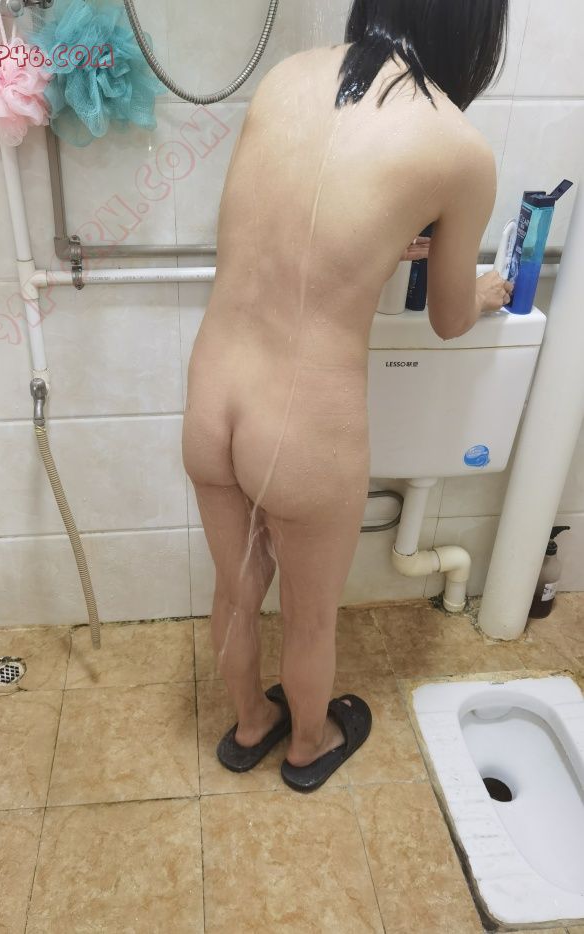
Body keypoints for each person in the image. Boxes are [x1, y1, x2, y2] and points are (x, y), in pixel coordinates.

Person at [182, 0, 513, 792]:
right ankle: (308, 742)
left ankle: (248, 725)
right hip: (302, 426)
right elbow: (448, 318)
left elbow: (292, 223)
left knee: (236, 592)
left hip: (210, 398)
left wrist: (380, 240)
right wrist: (481, 290)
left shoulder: (285, 79)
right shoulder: (459, 148)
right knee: (310, 617)